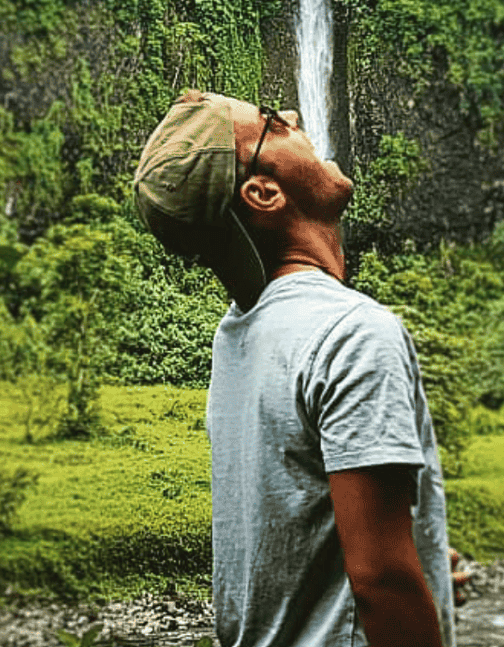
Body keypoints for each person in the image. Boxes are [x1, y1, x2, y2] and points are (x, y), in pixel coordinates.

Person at [132, 89, 456, 647]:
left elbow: (304, 534)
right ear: (263, 192)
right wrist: (400, 580)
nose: (296, 118)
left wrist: (413, 558)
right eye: (272, 122)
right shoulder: (351, 335)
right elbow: (381, 582)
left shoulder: (238, 334)